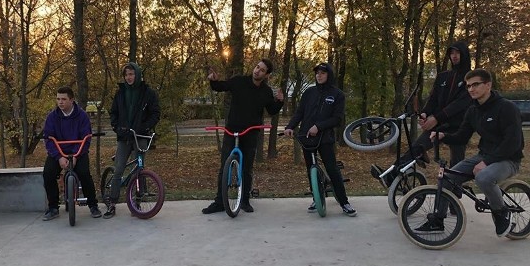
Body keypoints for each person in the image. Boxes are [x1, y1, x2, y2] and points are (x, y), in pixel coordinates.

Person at [419, 69, 524, 237]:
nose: (471, 89)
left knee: (483, 176)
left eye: (476, 84)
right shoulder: (472, 111)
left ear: (488, 85)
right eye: (468, 86)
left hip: (508, 159)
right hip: (485, 156)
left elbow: (513, 143)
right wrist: (443, 136)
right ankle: (437, 221)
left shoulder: (507, 108)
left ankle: (501, 212)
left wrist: (487, 162)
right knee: (446, 177)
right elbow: (462, 137)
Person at [371, 41, 472, 187]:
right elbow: (433, 98)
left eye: (457, 53)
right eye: (451, 53)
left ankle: (454, 199)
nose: (454, 56)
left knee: (456, 165)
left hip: (458, 127)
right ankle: (390, 175)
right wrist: (425, 113)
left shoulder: (470, 78)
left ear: (464, 54)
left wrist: (436, 118)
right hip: (437, 125)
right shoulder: (443, 76)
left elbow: (460, 104)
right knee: (416, 148)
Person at [202, 59, 284, 214]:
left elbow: (272, 110)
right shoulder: (239, 81)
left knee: (246, 168)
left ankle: (244, 200)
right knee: (224, 167)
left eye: (262, 70)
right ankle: (220, 201)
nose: (257, 71)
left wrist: (280, 102)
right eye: (257, 67)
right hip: (231, 131)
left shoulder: (266, 91)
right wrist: (213, 81)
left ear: (266, 75)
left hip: (250, 134)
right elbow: (221, 86)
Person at [284, 62, 356, 216]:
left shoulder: (337, 94)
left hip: (325, 138)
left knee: (332, 169)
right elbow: (299, 113)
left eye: (323, 73)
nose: (319, 75)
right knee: (311, 169)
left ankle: (344, 202)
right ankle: (317, 198)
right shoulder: (309, 92)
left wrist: (319, 126)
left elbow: (337, 119)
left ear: (329, 75)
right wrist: (290, 126)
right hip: (306, 137)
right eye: (317, 73)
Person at [103, 62, 161, 219]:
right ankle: (112, 203)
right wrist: (117, 127)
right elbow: (113, 113)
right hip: (124, 137)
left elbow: (155, 113)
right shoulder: (120, 93)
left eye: (131, 74)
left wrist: (144, 127)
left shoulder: (148, 93)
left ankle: (137, 201)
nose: (129, 77)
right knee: (119, 168)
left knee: (140, 168)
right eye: (126, 74)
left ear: (137, 75)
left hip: (140, 136)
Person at [42, 86, 101, 220]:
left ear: (72, 100)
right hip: (59, 152)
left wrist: (76, 156)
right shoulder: (52, 117)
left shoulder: (82, 116)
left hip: (78, 151)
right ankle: (53, 207)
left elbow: (86, 138)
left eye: (63, 99)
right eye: (58, 99)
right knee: (48, 173)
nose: (60, 102)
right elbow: (48, 139)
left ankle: (93, 205)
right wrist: (59, 157)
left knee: (84, 173)